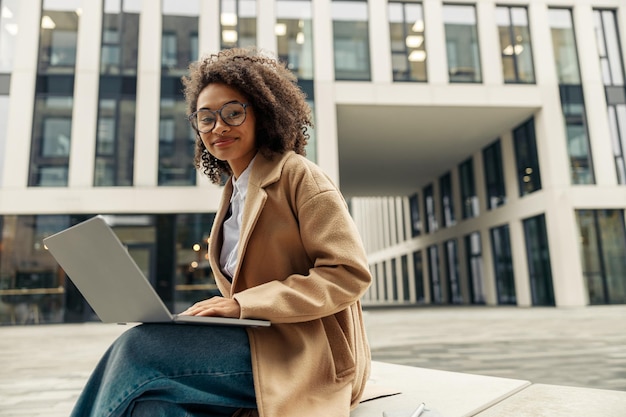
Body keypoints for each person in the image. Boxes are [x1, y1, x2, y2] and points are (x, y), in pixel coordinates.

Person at [69, 46, 372, 417]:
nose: (219, 127)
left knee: (139, 348)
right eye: (206, 118)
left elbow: (348, 273)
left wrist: (240, 305)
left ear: (262, 113)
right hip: (258, 341)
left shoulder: (299, 176)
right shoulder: (234, 192)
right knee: (153, 407)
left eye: (232, 113)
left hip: (307, 351)